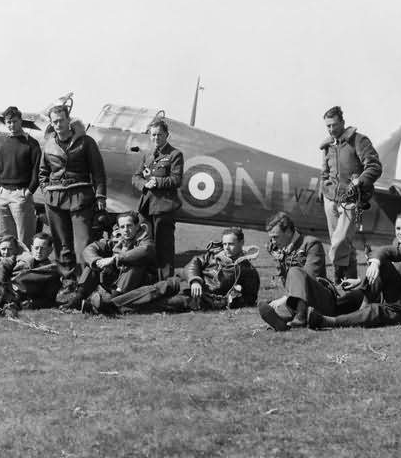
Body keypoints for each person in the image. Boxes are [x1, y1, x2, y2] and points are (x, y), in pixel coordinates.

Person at [306, 216, 401, 329]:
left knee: (375, 311)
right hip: (399, 297)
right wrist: (375, 264)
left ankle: (327, 321)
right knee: (379, 267)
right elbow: (383, 251)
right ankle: (334, 307)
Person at [104, 227, 260, 313]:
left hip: (201, 297)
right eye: (225, 244)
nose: (226, 248)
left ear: (241, 243)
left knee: (162, 303)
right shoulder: (213, 254)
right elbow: (194, 263)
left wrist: (229, 301)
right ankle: (111, 304)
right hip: (184, 281)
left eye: (231, 244)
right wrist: (195, 280)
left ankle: (112, 307)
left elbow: (250, 298)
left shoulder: (247, 269)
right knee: (154, 290)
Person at [258, 212, 364, 331]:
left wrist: (284, 299)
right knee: (269, 304)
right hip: (298, 300)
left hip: (322, 299)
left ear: (288, 231)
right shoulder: (281, 249)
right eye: (271, 237)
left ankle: (296, 316)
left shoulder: (311, 243)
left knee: (294, 271)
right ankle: (283, 321)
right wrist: (279, 260)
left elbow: (312, 277)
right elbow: (287, 284)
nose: (272, 241)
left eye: (275, 237)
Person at [39, 104, 107, 281]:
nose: (59, 124)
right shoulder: (48, 144)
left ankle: (86, 283)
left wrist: (100, 195)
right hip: (54, 199)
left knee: (83, 244)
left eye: (62, 120)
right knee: (62, 244)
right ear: (51, 124)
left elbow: (98, 172)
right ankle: (67, 282)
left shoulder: (86, 142)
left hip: (81, 197)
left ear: (69, 120)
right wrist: (46, 190)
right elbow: (42, 173)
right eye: (55, 121)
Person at [319, 106, 382, 282]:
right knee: (343, 244)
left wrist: (359, 182)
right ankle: (349, 284)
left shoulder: (359, 141)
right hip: (330, 199)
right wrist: (322, 189)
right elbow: (324, 172)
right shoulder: (327, 146)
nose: (331, 129)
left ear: (343, 123)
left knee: (339, 243)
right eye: (328, 126)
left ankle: (338, 279)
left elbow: (374, 166)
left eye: (334, 125)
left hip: (351, 200)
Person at [66, 211, 156, 310]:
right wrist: (98, 262)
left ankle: (109, 303)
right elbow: (90, 249)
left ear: (137, 226)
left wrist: (114, 259)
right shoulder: (116, 240)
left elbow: (146, 249)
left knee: (134, 265)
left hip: (139, 283)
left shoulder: (145, 240)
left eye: (129, 226)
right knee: (93, 265)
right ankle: (78, 299)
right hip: (116, 279)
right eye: (122, 227)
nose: (126, 230)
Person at [132, 119, 184, 278]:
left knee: (164, 248)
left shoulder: (175, 155)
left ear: (166, 135)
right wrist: (144, 184)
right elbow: (136, 177)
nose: (156, 138)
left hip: (164, 208)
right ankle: (148, 281)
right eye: (153, 134)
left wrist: (157, 182)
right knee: (146, 245)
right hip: (146, 208)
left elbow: (176, 179)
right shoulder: (147, 155)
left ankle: (166, 284)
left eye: (159, 135)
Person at [0, 106, 41, 248]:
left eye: (15, 121)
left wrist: (29, 191)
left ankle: (25, 269)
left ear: (21, 121)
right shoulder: (4, 143)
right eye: (8, 122)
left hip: (21, 195)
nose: (12, 125)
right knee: (5, 239)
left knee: (24, 240)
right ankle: (7, 268)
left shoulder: (32, 144)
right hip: (3, 194)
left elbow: (37, 170)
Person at [11, 232, 62, 309]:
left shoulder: (51, 271)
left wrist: (31, 304)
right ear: (31, 248)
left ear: (50, 250)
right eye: (36, 248)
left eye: (43, 248)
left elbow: (49, 299)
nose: (39, 251)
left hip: (25, 299)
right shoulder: (21, 260)